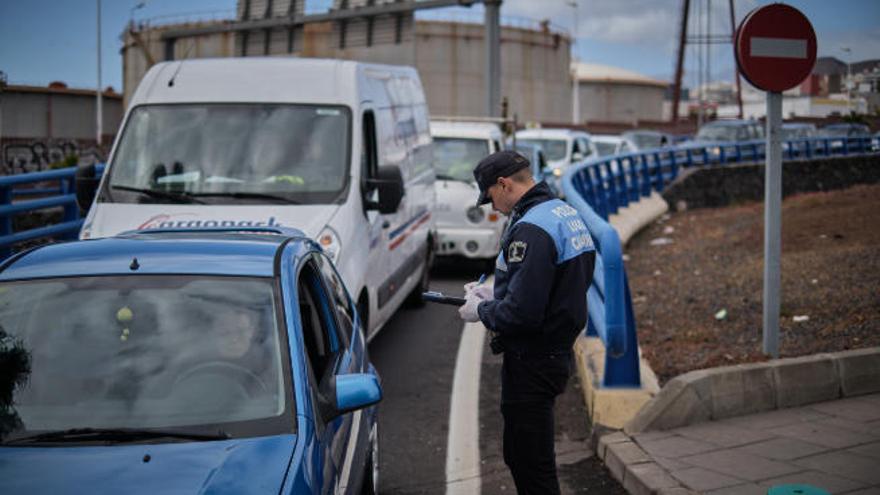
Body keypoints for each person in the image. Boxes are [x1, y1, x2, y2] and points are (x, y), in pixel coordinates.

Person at [458, 150, 596, 494]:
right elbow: (550, 283)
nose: (493, 208)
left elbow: (521, 314)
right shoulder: (562, 212)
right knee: (528, 457)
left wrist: (481, 311)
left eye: (490, 197)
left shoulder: (531, 228)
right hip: (554, 351)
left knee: (529, 463)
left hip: (533, 360)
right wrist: (495, 293)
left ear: (503, 184)